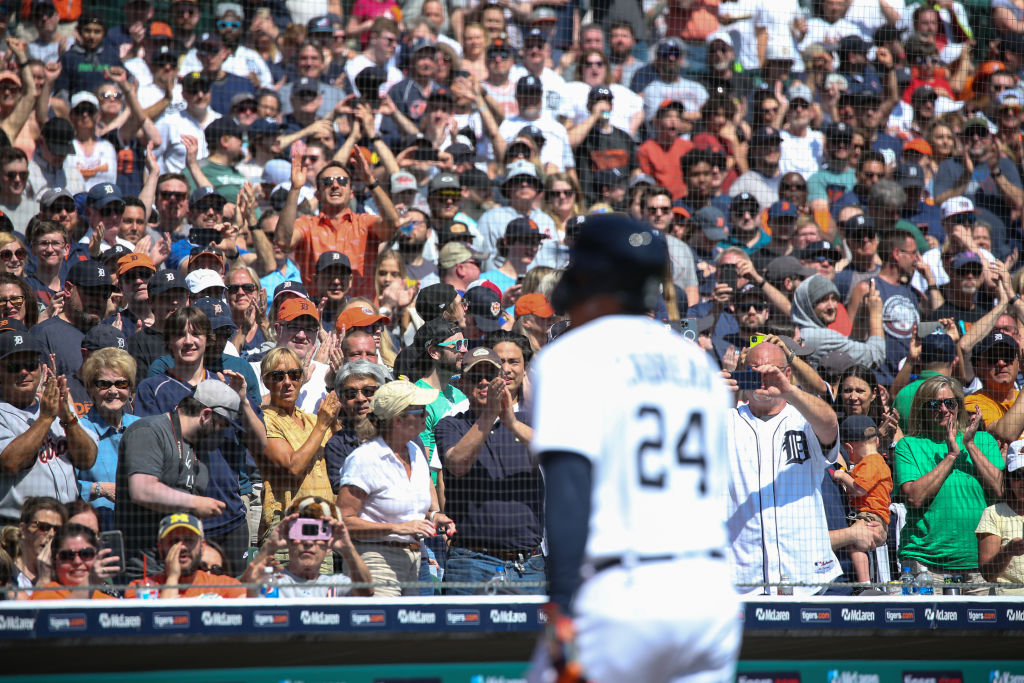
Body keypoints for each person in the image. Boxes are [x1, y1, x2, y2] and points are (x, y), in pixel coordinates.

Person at [529, 214, 739, 681]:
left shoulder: (571, 355)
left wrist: (561, 606)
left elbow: (569, 491)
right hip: (709, 597)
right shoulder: (696, 363)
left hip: (622, 594)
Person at [727, 338, 843, 595]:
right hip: (743, 577)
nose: (763, 380)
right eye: (754, 373)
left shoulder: (804, 417)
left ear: (786, 373)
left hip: (807, 575)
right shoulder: (727, 420)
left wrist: (788, 390)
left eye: (771, 373)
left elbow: (830, 424)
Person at [436, 346, 545, 594]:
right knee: (467, 634)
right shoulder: (451, 425)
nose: (484, 382)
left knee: (531, 634)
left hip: (528, 564)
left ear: (503, 380)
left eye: (490, 376)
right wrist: (489, 416)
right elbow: (457, 464)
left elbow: (555, 454)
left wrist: (512, 423)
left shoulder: (527, 422)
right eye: (476, 377)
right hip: (472, 562)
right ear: (462, 384)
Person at [113, 379, 242, 578]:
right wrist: (195, 503)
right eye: (222, 425)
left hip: (180, 567)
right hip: (143, 569)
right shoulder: (149, 431)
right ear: (206, 415)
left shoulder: (199, 448)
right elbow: (142, 490)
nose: (221, 432)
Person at [338, 380, 455, 597]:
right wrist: (397, 528)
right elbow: (344, 521)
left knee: (411, 629)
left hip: (415, 562)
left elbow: (415, 511)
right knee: (381, 629)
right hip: (374, 561)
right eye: (420, 411)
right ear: (398, 420)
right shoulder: (365, 458)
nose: (426, 415)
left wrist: (434, 516)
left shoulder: (415, 452)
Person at [896, 375, 1004, 593]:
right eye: (935, 404)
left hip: (981, 566)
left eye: (950, 403)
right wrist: (952, 455)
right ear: (923, 409)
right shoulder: (909, 445)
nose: (944, 409)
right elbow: (914, 498)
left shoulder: (984, 441)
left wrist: (969, 445)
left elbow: (1001, 490)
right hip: (926, 567)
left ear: (959, 407)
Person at [0, 332, 97, 524]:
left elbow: (87, 460)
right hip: (18, 528)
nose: (24, 372)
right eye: (14, 366)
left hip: (65, 524)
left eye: (30, 365)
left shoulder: (55, 404)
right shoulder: (4, 413)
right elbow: (9, 463)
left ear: (41, 369)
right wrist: (45, 418)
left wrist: (68, 418)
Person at [258, 347, 340, 537]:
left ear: (302, 378)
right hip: (288, 525)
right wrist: (323, 425)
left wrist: (334, 422)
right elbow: (292, 468)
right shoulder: (265, 419)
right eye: (278, 376)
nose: (288, 382)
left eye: (294, 375)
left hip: (325, 522)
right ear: (266, 382)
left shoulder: (312, 419)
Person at [245, 497, 374, 597]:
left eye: (317, 534)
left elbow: (367, 591)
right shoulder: (271, 583)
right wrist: (271, 545)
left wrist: (347, 548)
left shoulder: (336, 584)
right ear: (288, 540)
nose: (308, 542)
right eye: (302, 532)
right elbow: (242, 593)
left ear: (329, 547)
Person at [75, 348, 139, 532]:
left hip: (138, 529)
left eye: (121, 384)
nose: (113, 391)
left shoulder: (142, 428)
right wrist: (99, 489)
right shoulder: (78, 432)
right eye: (104, 384)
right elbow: (64, 486)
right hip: (96, 530)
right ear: (90, 389)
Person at [125, 512, 247, 598]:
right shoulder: (141, 588)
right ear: (160, 547)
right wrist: (172, 578)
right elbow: (158, 627)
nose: (182, 547)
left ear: (202, 546)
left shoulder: (225, 586)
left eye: (189, 540)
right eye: (174, 541)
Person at [833, 415, 893, 585]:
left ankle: (864, 583)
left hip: (870, 515)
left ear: (849, 448)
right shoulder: (877, 461)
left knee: (854, 545)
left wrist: (843, 476)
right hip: (873, 516)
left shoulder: (871, 462)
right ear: (877, 442)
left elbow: (859, 489)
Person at [324, 360, 389, 492]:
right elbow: (346, 492)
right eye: (350, 393)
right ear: (341, 400)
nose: (360, 398)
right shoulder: (337, 445)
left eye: (369, 391)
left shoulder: (404, 433)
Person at [977, 443, 1024, 595]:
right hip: (1008, 604)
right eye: (1018, 475)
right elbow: (987, 574)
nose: (1023, 482)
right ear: (1008, 477)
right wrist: (1007, 552)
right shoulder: (993, 513)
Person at [27, 523, 120, 600]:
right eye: (67, 555)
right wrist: (90, 581)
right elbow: (63, 616)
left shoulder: (110, 601)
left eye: (86, 553)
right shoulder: (44, 596)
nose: (77, 561)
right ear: (55, 562)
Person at [12, 497, 67, 589]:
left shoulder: (64, 574)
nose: (51, 534)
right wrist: (44, 580)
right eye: (43, 526)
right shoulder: (6, 572)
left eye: (58, 529)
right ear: (23, 529)